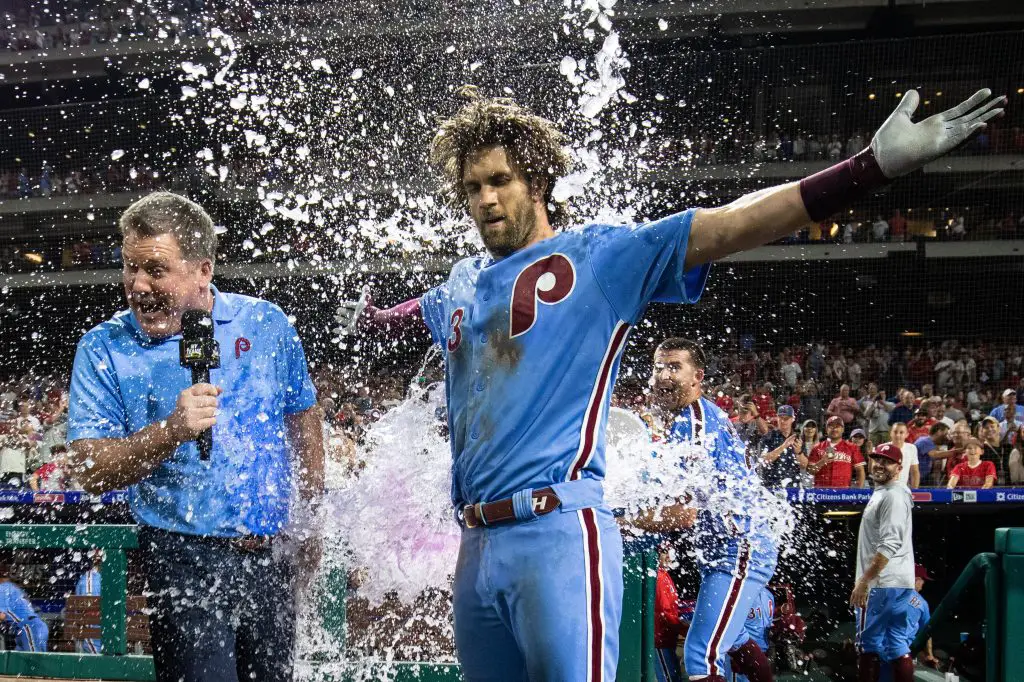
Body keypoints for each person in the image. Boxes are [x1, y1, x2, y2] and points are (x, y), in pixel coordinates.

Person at [337, 85, 1003, 681]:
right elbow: (388, 324)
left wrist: (869, 168)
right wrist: (355, 317)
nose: (484, 199)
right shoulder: (457, 286)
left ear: (536, 179)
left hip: (557, 533)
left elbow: (734, 222)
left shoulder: (599, 257)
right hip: (475, 544)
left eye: (499, 180)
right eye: (473, 188)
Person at [66, 192, 324, 682]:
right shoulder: (102, 347)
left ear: (203, 270)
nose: (136, 286)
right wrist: (172, 430)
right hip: (182, 556)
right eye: (129, 268)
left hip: (270, 556)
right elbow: (89, 468)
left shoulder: (266, 323)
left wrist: (309, 515)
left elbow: (302, 414)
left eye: (155, 270)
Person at [632, 339, 777, 682]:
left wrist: (619, 519)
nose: (662, 375)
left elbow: (683, 515)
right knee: (735, 638)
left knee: (701, 655)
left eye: (673, 367)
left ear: (697, 376)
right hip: (730, 548)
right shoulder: (697, 415)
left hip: (739, 548)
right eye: (658, 367)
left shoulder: (693, 422)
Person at [850, 443, 916, 682]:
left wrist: (865, 581)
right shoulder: (889, 492)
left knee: (868, 644)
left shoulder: (893, 495)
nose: (879, 464)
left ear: (899, 467)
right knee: (896, 642)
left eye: (886, 461)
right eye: (876, 459)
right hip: (898, 582)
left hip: (881, 583)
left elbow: (889, 544)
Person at [807, 416, 866, 488]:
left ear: (843, 429)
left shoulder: (852, 447)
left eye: (837, 426)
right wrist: (822, 462)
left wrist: (858, 491)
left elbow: (860, 471)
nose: (834, 429)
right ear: (826, 429)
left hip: (843, 493)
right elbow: (810, 471)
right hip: (821, 492)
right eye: (831, 426)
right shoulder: (817, 448)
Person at [655, 545, 684, 682]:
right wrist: (685, 630)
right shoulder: (659, 576)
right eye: (664, 552)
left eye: (670, 552)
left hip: (667, 639)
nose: (668, 556)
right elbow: (664, 613)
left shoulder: (664, 574)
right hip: (661, 641)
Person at [0, 567, 48, 651]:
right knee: (20, 662)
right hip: (31, 627)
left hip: (29, 627)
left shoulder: (2, 589)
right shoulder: (11, 587)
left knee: (34, 661)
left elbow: (2, 615)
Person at [759, 405, 803, 488]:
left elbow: (804, 465)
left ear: (792, 419)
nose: (783, 421)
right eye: (780, 418)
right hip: (771, 485)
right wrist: (783, 446)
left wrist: (799, 453)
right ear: (777, 418)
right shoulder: (769, 437)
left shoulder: (797, 438)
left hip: (792, 486)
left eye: (786, 418)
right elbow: (764, 460)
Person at [74, 551, 103, 654]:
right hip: (95, 634)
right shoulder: (90, 580)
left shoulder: (92, 578)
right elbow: (89, 613)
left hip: (100, 633)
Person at [883, 423, 921, 488]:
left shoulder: (912, 448)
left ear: (907, 435)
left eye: (901, 432)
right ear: (890, 433)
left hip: (903, 489)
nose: (898, 435)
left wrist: (915, 491)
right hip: (884, 488)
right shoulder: (882, 448)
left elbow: (915, 472)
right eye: (895, 432)